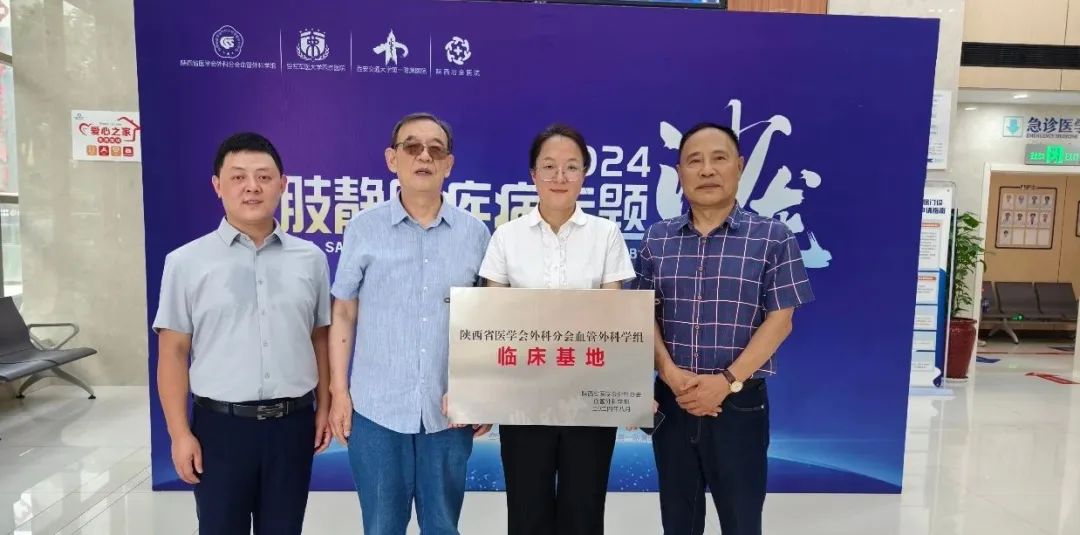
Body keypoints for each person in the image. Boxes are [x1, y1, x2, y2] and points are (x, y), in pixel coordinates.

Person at [631, 123, 815, 535]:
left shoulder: (773, 237)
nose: (707, 170)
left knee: (741, 520)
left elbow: (781, 320)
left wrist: (727, 381)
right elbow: (641, 315)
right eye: (694, 161)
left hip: (739, 404)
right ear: (679, 172)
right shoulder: (657, 239)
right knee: (678, 519)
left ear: (740, 166)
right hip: (674, 401)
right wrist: (669, 372)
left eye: (719, 158)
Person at [153, 132, 332, 534]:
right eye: (238, 177)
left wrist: (323, 407)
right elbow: (173, 352)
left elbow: (319, 338)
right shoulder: (185, 262)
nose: (252, 187)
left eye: (264, 177)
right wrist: (179, 434)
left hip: (292, 425)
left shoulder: (311, 259)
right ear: (217, 185)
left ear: (282, 185)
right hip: (220, 429)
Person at [327, 112, 492, 535]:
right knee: (382, 527)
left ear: (449, 164)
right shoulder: (364, 229)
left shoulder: (475, 234)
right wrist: (339, 391)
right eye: (412, 146)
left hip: (448, 412)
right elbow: (343, 310)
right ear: (392, 158)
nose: (424, 156)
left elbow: (487, 318)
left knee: (443, 527)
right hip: (376, 411)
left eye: (436, 149)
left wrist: (482, 393)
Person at [476, 124, 636, 535]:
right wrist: (485, 395)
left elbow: (614, 321)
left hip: (589, 400)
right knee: (526, 514)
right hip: (523, 400)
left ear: (584, 174)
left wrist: (627, 395)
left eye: (571, 166)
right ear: (533, 174)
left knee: (584, 514)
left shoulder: (606, 235)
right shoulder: (507, 237)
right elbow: (493, 319)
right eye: (549, 166)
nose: (559, 176)